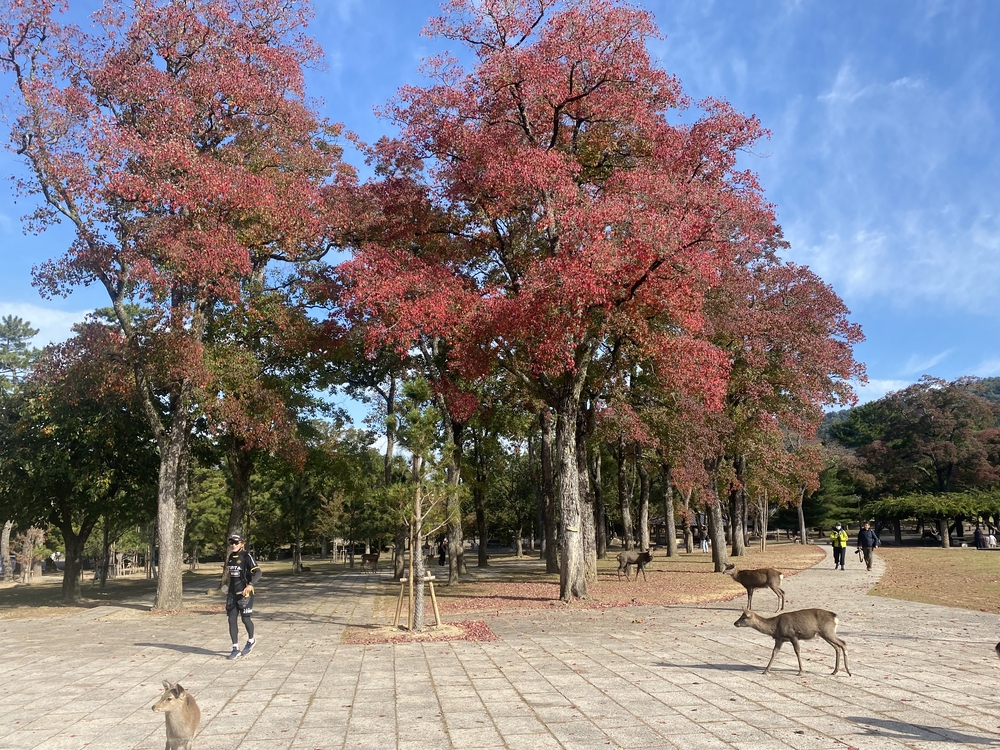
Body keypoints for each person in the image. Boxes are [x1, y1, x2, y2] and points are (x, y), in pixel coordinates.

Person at [225, 534, 261, 660]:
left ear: (242, 544)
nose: (233, 545)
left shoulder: (246, 556)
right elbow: (231, 576)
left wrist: (250, 585)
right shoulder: (230, 557)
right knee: (231, 619)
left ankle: (251, 640)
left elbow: (258, 572)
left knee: (245, 619)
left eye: (236, 543)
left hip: (245, 594)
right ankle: (235, 648)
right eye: (231, 543)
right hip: (232, 594)